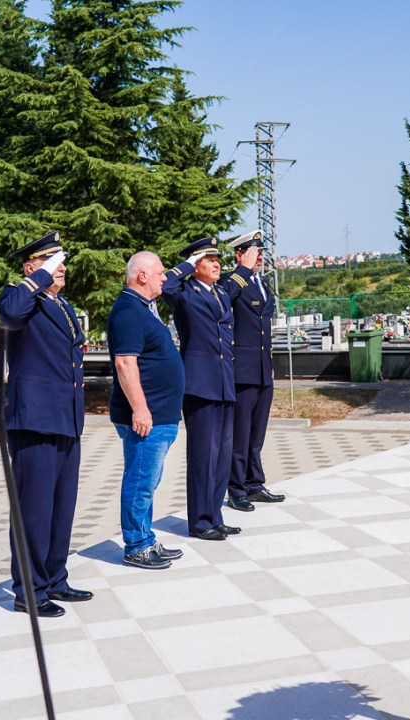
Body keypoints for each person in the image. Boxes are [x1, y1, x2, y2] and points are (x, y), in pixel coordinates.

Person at [0, 230, 91, 618]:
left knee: (61, 506)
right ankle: (29, 589)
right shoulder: (18, 297)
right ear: (30, 267)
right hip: (35, 417)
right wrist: (39, 277)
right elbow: (9, 315)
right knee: (33, 508)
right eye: (52, 261)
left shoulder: (61, 304)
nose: (61, 267)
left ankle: (54, 578)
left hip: (66, 415)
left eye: (61, 260)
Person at [161, 237, 258, 540]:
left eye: (218, 260)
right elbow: (164, 284)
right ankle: (200, 522)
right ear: (195, 265)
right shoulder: (183, 294)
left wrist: (245, 267)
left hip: (224, 381)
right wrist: (188, 263)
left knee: (222, 454)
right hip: (200, 384)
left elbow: (236, 282)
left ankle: (215, 515)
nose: (217, 265)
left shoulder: (220, 292)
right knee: (203, 456)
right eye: (209, 260)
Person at [107, 251, 185, 570]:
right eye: (160, 273)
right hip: (145, 418)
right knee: (140, 482)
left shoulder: (142, 308)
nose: (165, 278)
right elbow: (125, 364)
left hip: (159, 415)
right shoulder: (128, 311)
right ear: (142, 276)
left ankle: (146, 539)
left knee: (147, 482)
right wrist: (140, 410)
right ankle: (136, 546)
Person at [220, 231, 285, 512]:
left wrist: (269, 366)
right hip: (241, 370)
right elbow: (224, 300)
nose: (259, 257)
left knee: (257, 434)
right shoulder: (230, 281)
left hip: (262, 368)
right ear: (239, 255)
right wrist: (242, 272)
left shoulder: (263, 283)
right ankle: (236, 490)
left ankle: (254, 484)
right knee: (240, 434)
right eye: (254, 253)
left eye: (261, 253)